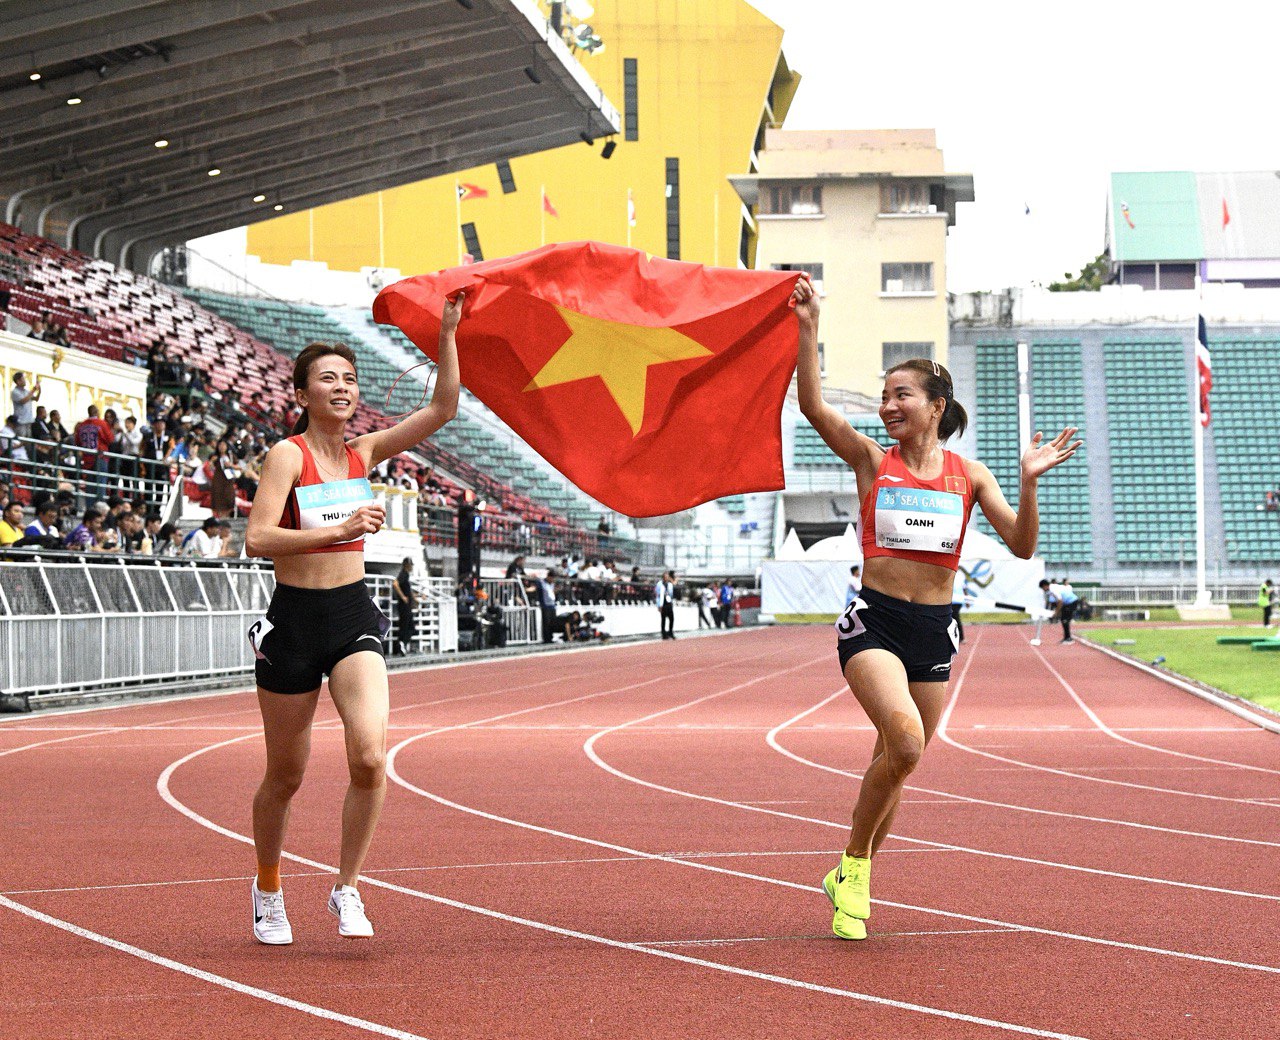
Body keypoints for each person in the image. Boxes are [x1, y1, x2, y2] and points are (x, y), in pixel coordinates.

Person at [792, 273, 1079, 942]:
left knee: (896, 762)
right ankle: (855, 869)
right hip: (875, 621)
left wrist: (1029, 482)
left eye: (902, 395)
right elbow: (813, 406)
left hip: (935, 630)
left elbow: (1022, 541)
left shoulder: (969, 475)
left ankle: (850, 871)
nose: (888, 405)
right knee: (908, 742)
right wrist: (809, 330)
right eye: (885, 395)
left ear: (936, 403)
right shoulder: (870, 459)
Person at [240, 293, 461, 945]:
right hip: (293, 621)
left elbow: (443, 408)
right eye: (328, 378)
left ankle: (347, 889)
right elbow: (255, 539)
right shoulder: (288, 456)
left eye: (349, 379)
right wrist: (336, 529)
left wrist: (447, 335)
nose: (342, 386)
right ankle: (268, 888)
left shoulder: (365, 452)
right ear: (304, 393)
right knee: (286, 775)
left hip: (351, 615)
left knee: (369, 758)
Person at [392, 557, 417, 655]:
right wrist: (403, 597)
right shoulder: (403, 574)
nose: (412, 567)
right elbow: (395, 584)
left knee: (409, 626)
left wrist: (415, 598)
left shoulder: (405, 575)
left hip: (407, 605)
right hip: (404, 605)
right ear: (407, 565)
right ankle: (401, 644)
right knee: (406, 625)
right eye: (411, 565)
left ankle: (402, 644)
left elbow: (408, 590)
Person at [1042, 578, 1080, 643]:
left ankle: (1068, 638)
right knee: (1063, 619)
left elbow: (1060, 601)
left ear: (1044, 586)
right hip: (1067, 602)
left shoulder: (1052, 589)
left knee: (1065, 620)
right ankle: (1067, 638)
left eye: (1043, 588)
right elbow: (1058, 601)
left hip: (1071, 602)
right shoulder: (1052, 588)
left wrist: (1056, 612)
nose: (1043, 590)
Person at [11, 372, 40, 437]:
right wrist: (33, 390)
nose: (25, 381)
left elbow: (36, 399)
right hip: (21, 421)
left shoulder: (26, 391)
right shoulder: (15, 392)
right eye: (23, 379)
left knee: (28, 442)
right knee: (21, 439)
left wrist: (39, 391)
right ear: (18, 381)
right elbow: (23, 401)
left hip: (29, 420)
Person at [655, 570, 676, 640]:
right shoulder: (659, 584)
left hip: (668, 602)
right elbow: (657, 595)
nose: (666, 578)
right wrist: (658, 605)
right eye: (665, 577)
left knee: (671, 618)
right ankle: (664, 634)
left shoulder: (670, 584)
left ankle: (670, 632)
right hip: (662, 603)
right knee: (663, 619)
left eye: (667, 577)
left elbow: (671, 594)